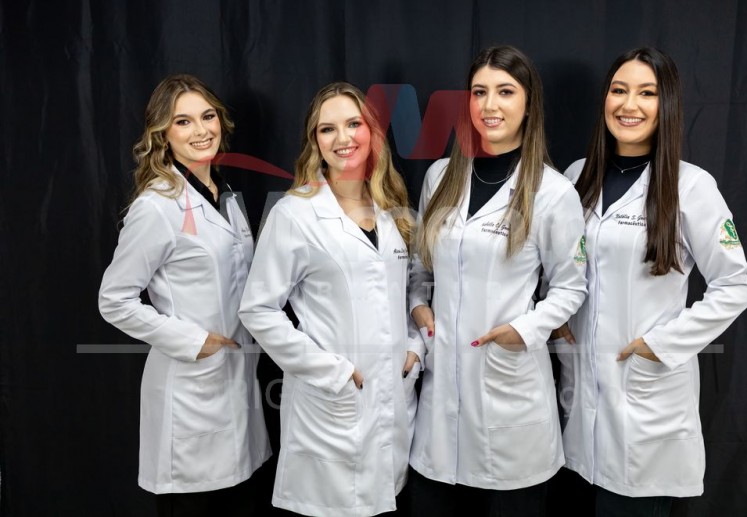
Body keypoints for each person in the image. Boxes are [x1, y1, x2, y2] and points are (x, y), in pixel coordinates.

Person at [553, 47, 747, 516]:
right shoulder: (576, 177)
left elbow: (736, 284)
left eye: (647, 93)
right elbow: (564, 267)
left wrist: (659, 345)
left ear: (668, 104)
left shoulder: (692, 186)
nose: (630, 105)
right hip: (579, 403)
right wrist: (559, 319)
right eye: (619, 90)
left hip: (645, 404)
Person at [407, 45, 588, 516]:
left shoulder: (552, 192)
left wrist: (523, 331)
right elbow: (420, 268)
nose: (489, 105)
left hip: (509, 393)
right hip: (440, 407)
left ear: (529, 103)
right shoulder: (440, 177)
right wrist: (418, 305)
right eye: (479, 92)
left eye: (505, 92)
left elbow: (572, 286)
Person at [238, 81, 422, 517]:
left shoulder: (391, 207)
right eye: (328, 129)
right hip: (331, 403)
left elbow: (408, 286)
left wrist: (416, 346)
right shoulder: (295, 213)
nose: (343, 138)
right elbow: (258, 309)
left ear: (372, 132)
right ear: (314, 142)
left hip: (391, 403)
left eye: (354, 124)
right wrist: (331, 371)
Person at [98, 74, 270, 516]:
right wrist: (195, 341)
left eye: (207, 117)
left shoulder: (225, 195)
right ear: (162, 134)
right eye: (183, 121)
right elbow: (114, 299)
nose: (201, 130)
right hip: (191, 389)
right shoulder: (156, 206)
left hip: (238, 386)